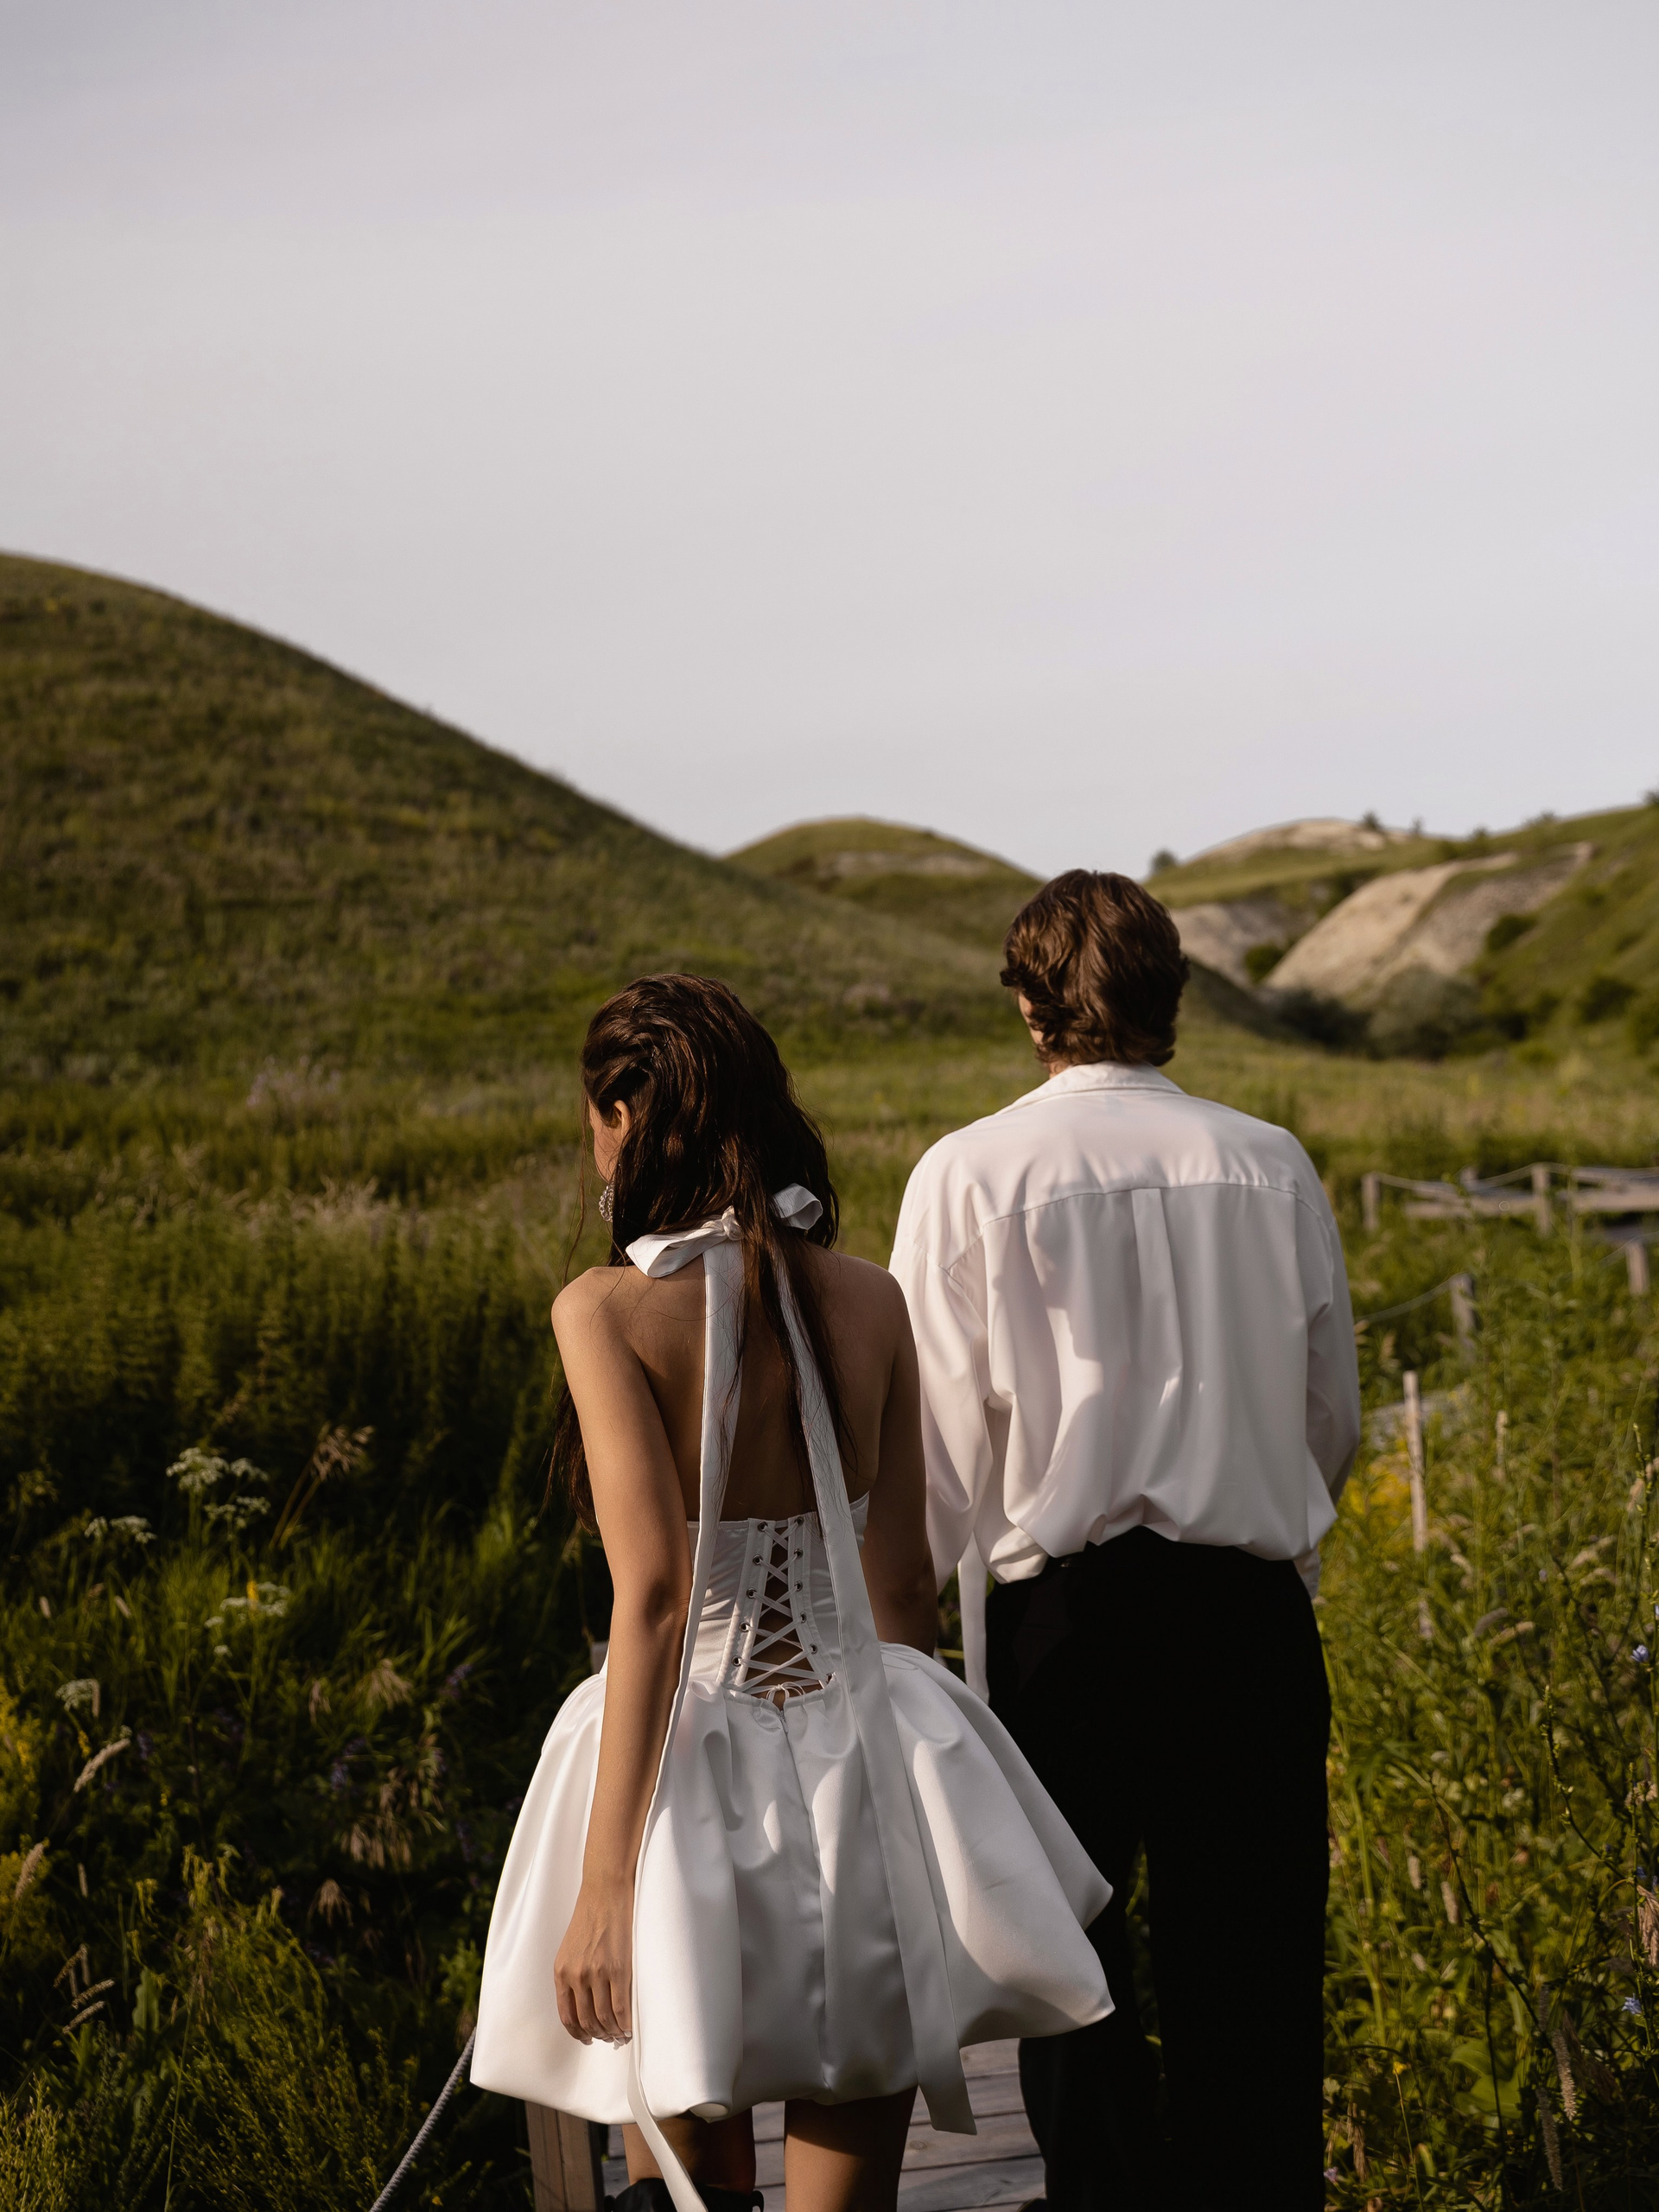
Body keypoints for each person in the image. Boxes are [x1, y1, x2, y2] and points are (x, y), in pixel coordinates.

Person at [473, 974, 1112, 2212]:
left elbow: (655, 1597)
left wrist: (605, 1889)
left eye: (592, 1117)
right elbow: (902, 1583)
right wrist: (919, 1790)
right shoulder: (868, 1296)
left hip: (678, 1778)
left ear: (625, 1112)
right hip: (858, 1750)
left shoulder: (604, 1311)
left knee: (698, 2184)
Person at [889, 872, 1362, 2212]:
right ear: (1172, 994)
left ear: (1030, 1005)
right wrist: (1266, 1533)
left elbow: (929, 1459)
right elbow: (1330, 1418)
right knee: (1254, 1980)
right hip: (1247, 1614)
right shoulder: (1268, 1163)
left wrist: (909, 1650)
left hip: (1065, 1632)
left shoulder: (969, 1174)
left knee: (1069, 1984)